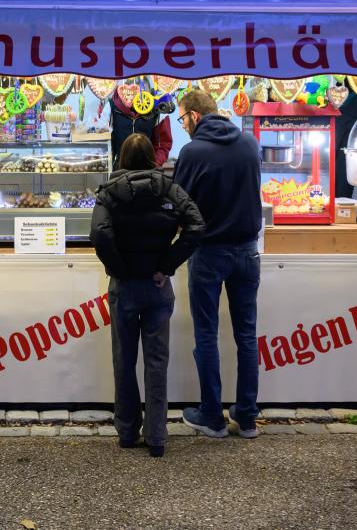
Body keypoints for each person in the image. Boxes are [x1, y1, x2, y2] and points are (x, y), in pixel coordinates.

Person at [90, 133, 205, 457]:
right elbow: (197, 226)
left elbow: (99, 233)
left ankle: (127, 432)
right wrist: (167, 265)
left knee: (124, 360)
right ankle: (156, 436)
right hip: (157, 287)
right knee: (157, 362)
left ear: (122, 159)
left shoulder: (110, 192)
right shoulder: (169, 188)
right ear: (152, 158)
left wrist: (119, 268)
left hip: (124, 287)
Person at [173, 89, 263, 439]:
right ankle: (247, 416)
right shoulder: (249, 144)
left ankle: (212, 416)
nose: (183, 125)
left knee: (206, 334)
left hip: (209, 252)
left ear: (194, 116)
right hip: (248, 252)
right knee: (247, 336)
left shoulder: (192, 152)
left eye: (182, 119)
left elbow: (178, 203)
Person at [109, 86, 172, 168]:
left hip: (148, 169)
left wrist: (154, 164)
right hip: (120, 168)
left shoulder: (158, 109)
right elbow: (105, 141)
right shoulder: (111, 107)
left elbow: (163, 144)